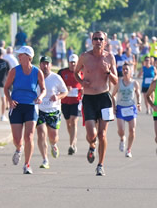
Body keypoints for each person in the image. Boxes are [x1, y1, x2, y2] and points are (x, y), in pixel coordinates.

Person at [74, 31, 118, 176]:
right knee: (92, 134)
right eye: (95, 39)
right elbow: (76, 73)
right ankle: (92, 146)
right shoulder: (85, 57)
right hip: (89, 98)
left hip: (104, 98)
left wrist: (108, 73)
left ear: (105, 42)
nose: (98, 41)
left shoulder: (110, 57)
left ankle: (100, 165)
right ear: (91, 41)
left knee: (102, 134)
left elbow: (116, 81)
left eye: (101, 39)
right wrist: (81, 82)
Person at [4, 45, 45, 174]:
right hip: (16, 106)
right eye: (19, 55)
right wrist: (10, 100)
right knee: (17, 139)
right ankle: (18, 149)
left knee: (29, 136)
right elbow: (6, 88)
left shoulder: (37, 72)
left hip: (31, 106)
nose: (18, 57)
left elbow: (43, 89)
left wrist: (40, 97)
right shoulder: (14, 71)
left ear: (28, 57)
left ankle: (27, 164)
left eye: (21, 55)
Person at [36, 55, 68, 169]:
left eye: (47, 63)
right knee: (41, 132)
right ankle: (45, 159)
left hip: (53, 110)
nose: (45, 66)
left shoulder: (56, 78)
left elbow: (65, 92)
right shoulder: (36, 76)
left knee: (53, 136)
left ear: (50, 65)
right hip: (39, 109)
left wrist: (58, 97)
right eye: (43, 63)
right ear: (40, 65)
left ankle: (54, 144)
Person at [112, 62, 141, 158]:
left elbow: (138, 94)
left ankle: (128, 149)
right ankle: (122, 139)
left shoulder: (134, 83)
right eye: (123, 69)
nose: (124, 71)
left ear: (130, 71)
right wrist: (114, 106)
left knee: (132, 130)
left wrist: (139, 103)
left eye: (126, 69)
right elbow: (113, 95)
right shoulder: (119, 82)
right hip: (121, 108)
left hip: (131, 108)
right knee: (121, 130)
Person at [58, 54, 83, 155]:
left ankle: (72, 145)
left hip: (77, 101)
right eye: (71, 62)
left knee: (73, 122)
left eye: (74, 63)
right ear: (68, 63)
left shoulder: (82, 72)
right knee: (68, 123)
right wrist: (64, 89)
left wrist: (83, 89)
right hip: (65, 101)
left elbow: (86, 83)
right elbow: (57, 85)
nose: (73, 64)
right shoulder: (62, 72)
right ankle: (73, 138)